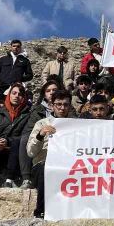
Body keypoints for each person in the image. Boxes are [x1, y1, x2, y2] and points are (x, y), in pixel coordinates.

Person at [27, 89, 71, 217]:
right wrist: (40, 135)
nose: (62, 108)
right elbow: (30, 152)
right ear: (52, 106)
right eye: (58, 104)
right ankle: (41, 211)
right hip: (43, 165)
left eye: (66, 104)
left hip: (67, 165)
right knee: (45, 168)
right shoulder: (41, 124)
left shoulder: (75, 124)